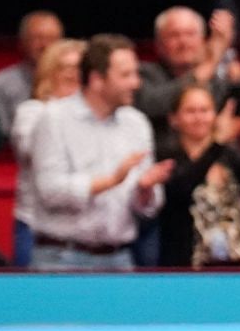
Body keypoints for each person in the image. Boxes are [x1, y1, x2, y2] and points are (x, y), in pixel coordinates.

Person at [29, 35, 172, 271]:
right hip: (62, 257)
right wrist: (111, 181)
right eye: (126, 75)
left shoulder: (136, 122)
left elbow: (148, 206)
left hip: (119, 257)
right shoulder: (54, 118)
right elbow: (50, 190)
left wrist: (145, 190)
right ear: (96, 79)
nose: (136, 83)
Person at [156, 83, 240, 268]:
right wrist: (217, 142)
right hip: (188, 265)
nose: (199, 117)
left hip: (237, 261)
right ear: (174, 119)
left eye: (205, 110)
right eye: (190, 111)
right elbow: (179, 190)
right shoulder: (167, 155)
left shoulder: (229, 154)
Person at [9, 37, 85, 270]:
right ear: (48, 72)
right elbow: (38, 154)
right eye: (65, 67)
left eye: (80, 67)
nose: (73, 74)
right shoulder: (32, 112)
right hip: (37, 229)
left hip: (86, 231)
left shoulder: (98, 118)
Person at [136, 6, 240, 134]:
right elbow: (153, 105)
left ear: (203, 41)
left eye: (190, 34)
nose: (184, 43)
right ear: (158, 44)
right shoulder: (144, 73)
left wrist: (237, 75)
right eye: (174, 35)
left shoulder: (217, 75)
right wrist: (210, 62)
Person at [0, 10, 63, 137]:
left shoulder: (76, 82)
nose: (45, 45)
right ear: (22, 42)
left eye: (51, 39)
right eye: (38, 38)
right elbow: (0, 135)